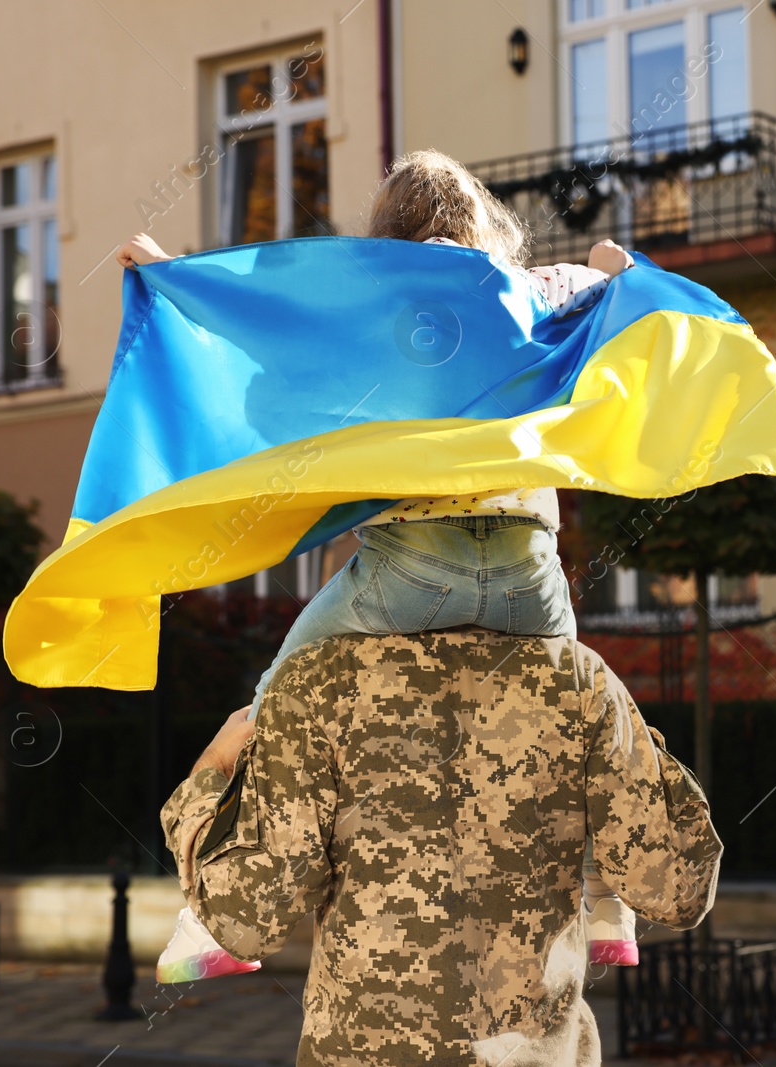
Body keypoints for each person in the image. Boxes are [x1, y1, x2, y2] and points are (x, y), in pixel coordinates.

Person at [121, 150, 642, 968]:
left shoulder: (368, 297)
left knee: (282, 692)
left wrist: (166, 273)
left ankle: (218, 923)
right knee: (573, 712)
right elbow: (614, 282)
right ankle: (606, 904)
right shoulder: (537, 294)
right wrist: (612, 263)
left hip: (411, 569)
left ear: (388, 229)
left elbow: (265, 312)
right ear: (485, 225)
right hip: (528, 575)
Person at [162, 631, 722, 1064]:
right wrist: (638, 748)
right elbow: (675, 890)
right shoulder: (579, 679)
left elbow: (244, 920)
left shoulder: (316, 682)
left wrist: (212, 771)